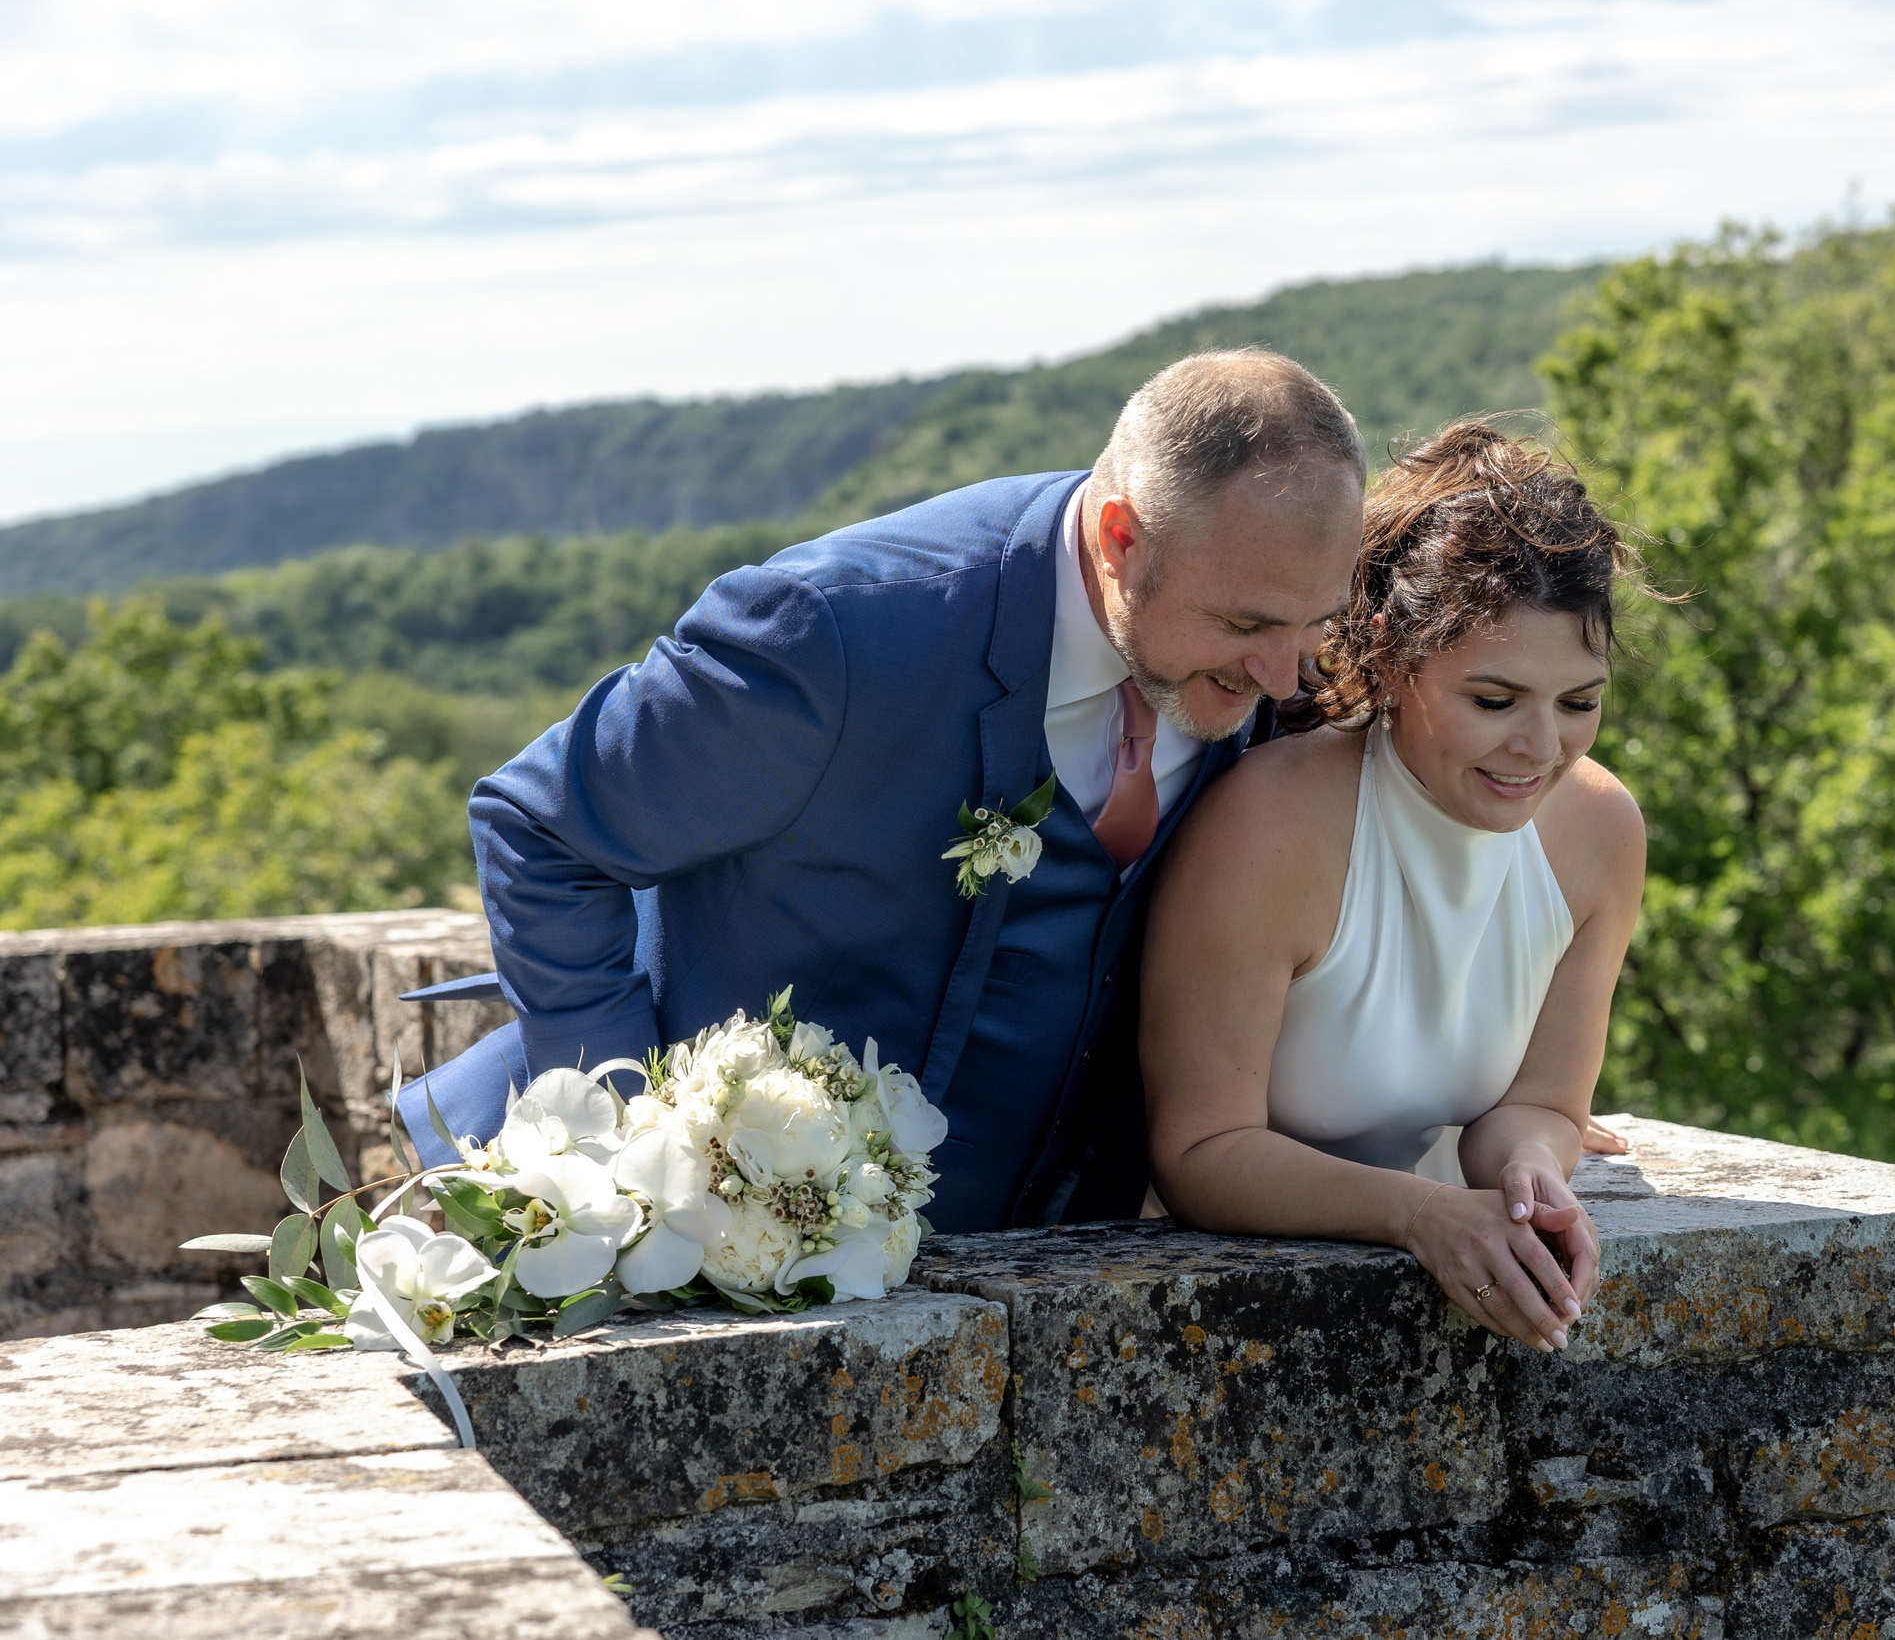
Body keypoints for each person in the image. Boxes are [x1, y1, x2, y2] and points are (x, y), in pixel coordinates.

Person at [396, 351, 1367, 1233]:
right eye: (1246, 623)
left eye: (1314, 623)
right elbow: (542, 828)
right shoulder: (833, 638)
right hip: (662, 1247)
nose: (1285, 679)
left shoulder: (1271, 660)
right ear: (1121, 539)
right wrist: (619, 1156)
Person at [1141, 422, 1647, 1352]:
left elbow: (1538, 1102)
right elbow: (1201, 1151)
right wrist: (1420, 1214)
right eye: (1494, 701)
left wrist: (1533, 1169)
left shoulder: (1600, 832)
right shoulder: (1272, 828)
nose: (1542, 748)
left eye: (1579, 701)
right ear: (1392, 655)